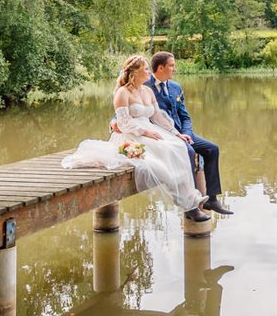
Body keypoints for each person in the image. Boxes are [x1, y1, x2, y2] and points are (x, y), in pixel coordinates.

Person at [63, 55, 210, 222]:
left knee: (178, 146)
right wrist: (145, 132)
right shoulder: (122, 93)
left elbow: (158, 117)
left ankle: (190, 198)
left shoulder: (148, 91)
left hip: (149, 129)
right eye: (146, 69)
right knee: (164, 153)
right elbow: (123, 123)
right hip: (130, 134)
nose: (149, 72)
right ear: (134, 72)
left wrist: (176, 134)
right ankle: (188, 204)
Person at [148, 51, 235, 216]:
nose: (175, 69)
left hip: (183, 134)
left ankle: (212, 199)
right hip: (165, 137)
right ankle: (190, 206)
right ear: (160, 67)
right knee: (188, 152)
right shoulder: (145, 87)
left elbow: (185, 117)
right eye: (172, 65)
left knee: (212, 149)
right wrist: (114, 120)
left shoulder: (175, 87)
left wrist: (187, 134)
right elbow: (129, 106)